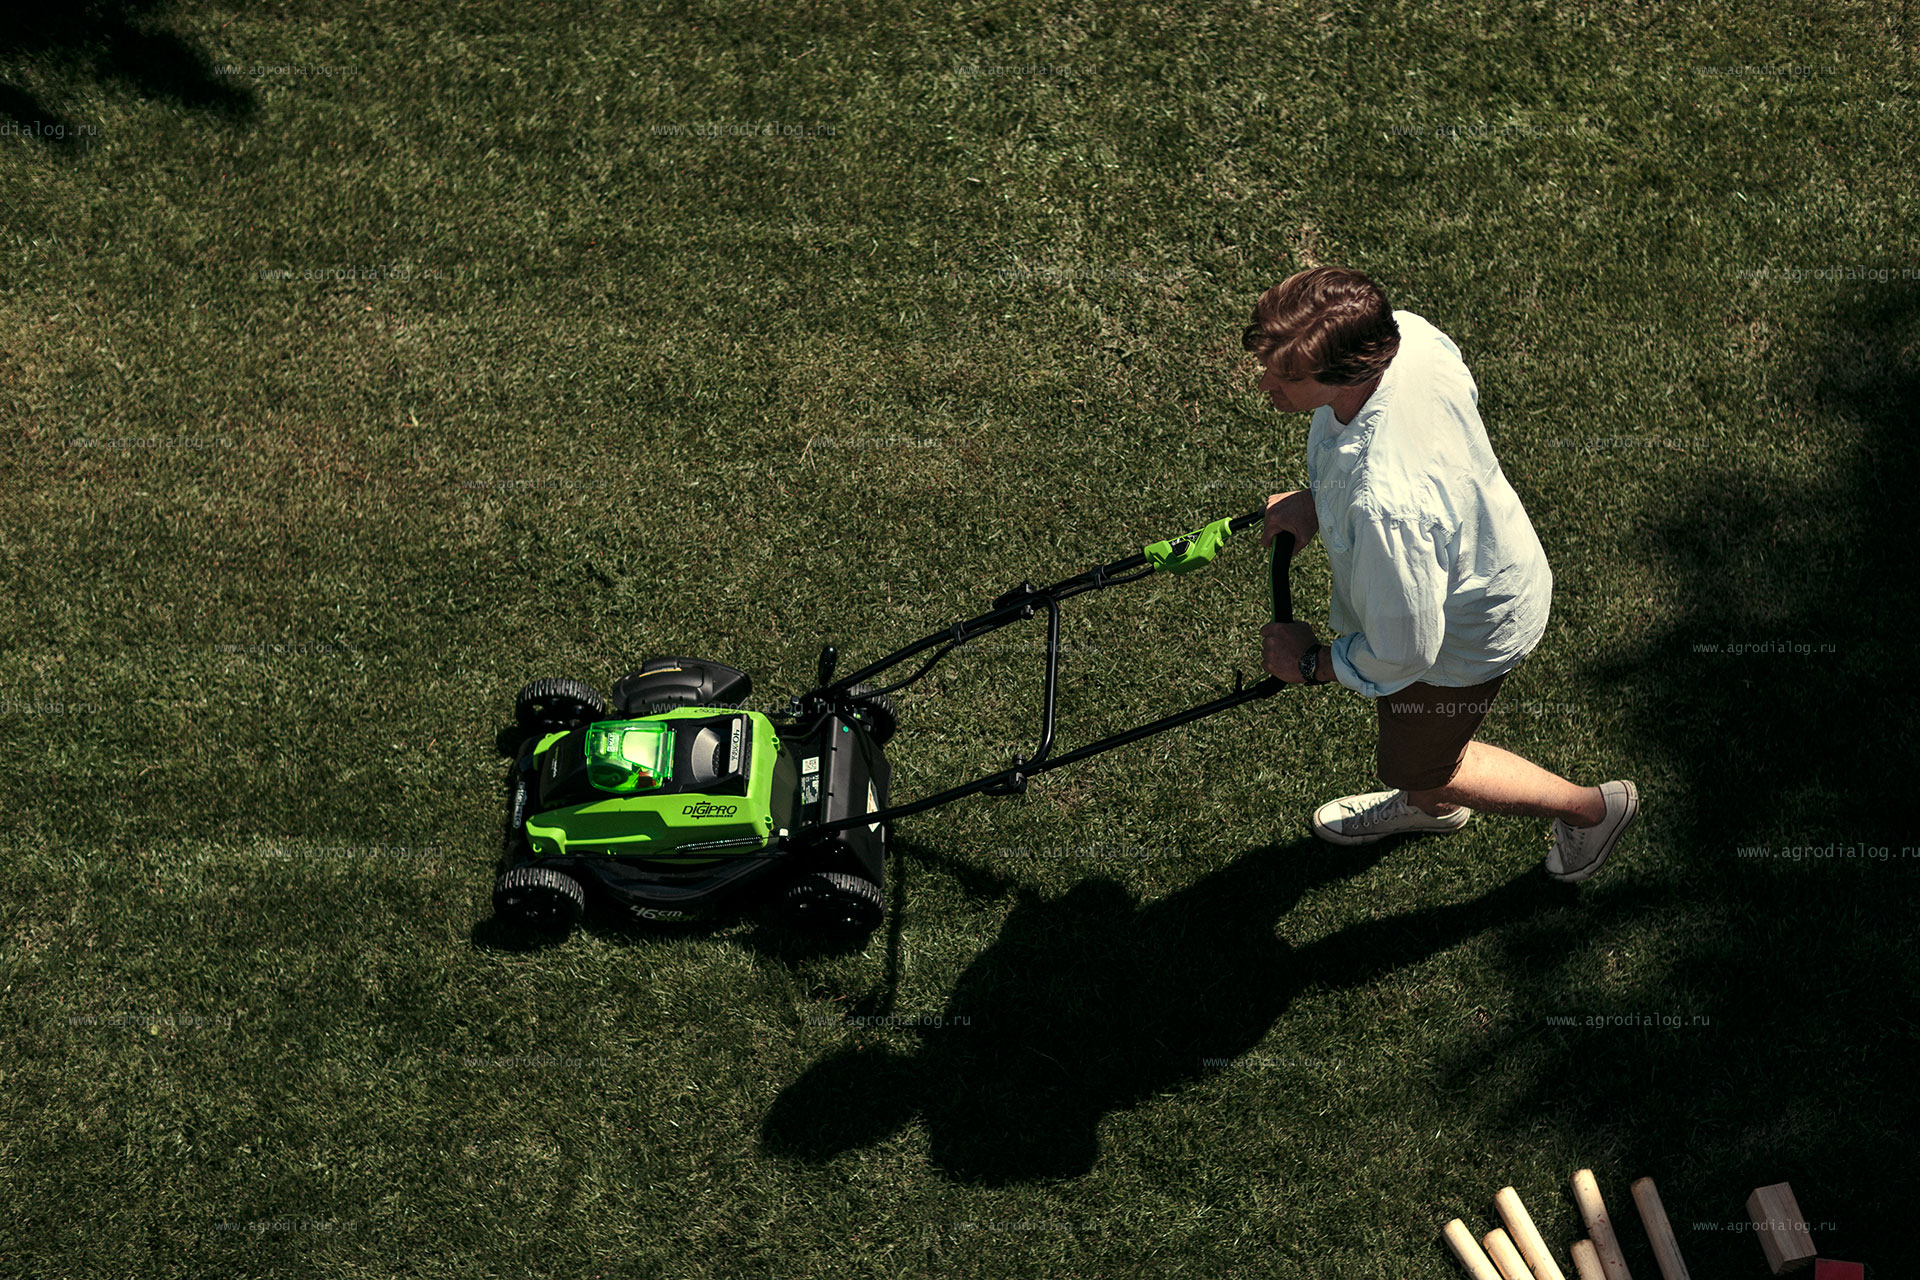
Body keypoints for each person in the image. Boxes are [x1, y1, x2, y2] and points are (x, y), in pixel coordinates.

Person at [1245, 266, 1637, 881]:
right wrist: (1321, 499)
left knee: (1420, 766)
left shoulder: (1386, 507)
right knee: (1418, 752)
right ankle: (1431, 803)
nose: (1264, 384)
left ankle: (1590, 810)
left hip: (1462, 638)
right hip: (1486, 565)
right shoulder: (1410, 338)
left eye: (1286, 376)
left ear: (1350, 372)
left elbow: (1404, 651)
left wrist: (1309, 661)